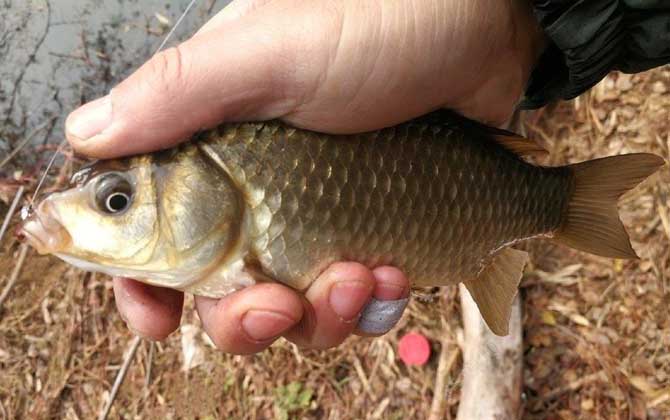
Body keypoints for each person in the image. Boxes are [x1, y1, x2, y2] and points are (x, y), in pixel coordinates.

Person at [64, 0, 670, 355]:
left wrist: (504, 25)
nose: (105, 213)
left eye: (116, 200)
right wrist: (507, 28)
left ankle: (562, 201)